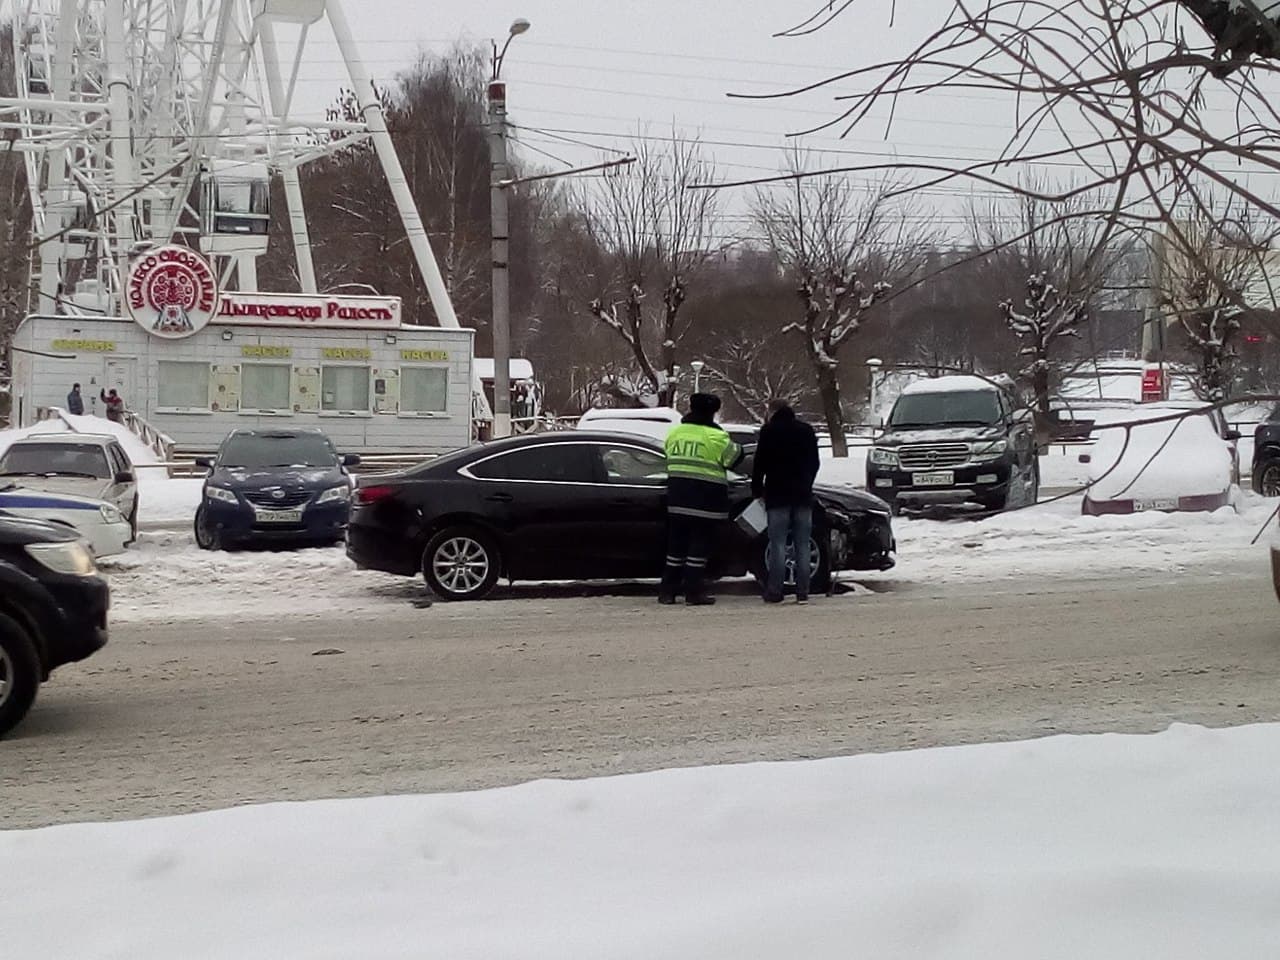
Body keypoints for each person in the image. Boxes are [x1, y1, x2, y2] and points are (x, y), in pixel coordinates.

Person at [659, 393, 742, 606]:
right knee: (698, 548)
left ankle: (667, 592)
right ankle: (693, 592)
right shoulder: (716, 436)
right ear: (712, 412)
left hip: (677, 499)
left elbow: (668, 456)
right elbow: (733, 459)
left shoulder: (675, 433)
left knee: (675, 549)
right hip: (706, 502)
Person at [752, 399, 820, 604]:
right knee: (802, 543)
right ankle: (802, 592)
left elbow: (759, 463)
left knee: (778, 543)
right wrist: (807, 482)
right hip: (802, 495)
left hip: (777, 494)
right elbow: (815, 462)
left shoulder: (768, 431)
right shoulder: (806, 431)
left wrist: (757, 489)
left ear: (773, 411)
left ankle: (775, 590)